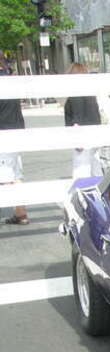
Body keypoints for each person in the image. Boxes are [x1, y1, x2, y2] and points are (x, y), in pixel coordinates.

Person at [0, 54, 28, 225]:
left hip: (4, 130)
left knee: (6, 176)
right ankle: (20, 212)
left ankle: (20, 212)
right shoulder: (10, 79)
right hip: (16, 129)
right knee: (15, 173)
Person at [64, 63, 105, 179]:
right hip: (94, 136)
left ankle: (83, 196)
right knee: (96, 170)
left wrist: (77, 140)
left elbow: (77, 118)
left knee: (81, 173)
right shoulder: (90, 94)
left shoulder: (76, 94)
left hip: (83, 138)